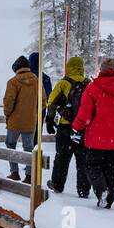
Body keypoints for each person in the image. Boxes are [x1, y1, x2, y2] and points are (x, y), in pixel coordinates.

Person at [72, 57, 114, 209]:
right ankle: (109, 199)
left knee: (92, 165)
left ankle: (102, 191)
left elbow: (85, 114)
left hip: (96, 138)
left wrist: (76, 127)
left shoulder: (93, 88)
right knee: (110, 168)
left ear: (102, 70)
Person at [45, 56, 91, 197]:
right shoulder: (89, 84)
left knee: (62, 158)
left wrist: (49, 120)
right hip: (83, 128)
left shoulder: (63, 83)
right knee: (83, 161)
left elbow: (52, 101)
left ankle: (57, 184)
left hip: (65, 127)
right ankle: (84, 190)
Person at [3, 55, 42, 182]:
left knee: (10, 144)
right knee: (29, 148)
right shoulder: (37, 81)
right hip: (30, 121)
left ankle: (14, 172)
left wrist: (7, 115)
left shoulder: (13, 82)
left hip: (15, 120)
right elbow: (43, 101)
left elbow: (9, 102)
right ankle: (29, 175)